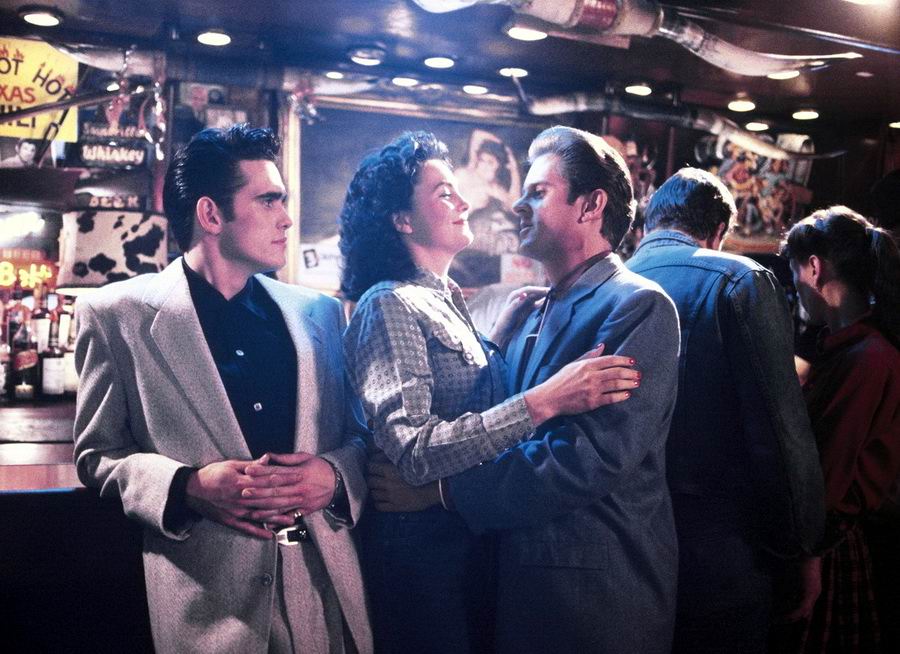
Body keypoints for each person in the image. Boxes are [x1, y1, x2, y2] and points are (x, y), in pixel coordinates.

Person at [368, 126, 682, 653]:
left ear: (591, 205)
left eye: (538, 192)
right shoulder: (534, 311)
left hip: (591, 599)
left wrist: (442, 493)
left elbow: (582, 460)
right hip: (517, 589)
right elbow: (499, 420)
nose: (517, 204)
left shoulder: (638, 306)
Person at [73, 124, 372, 653]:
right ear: (211, 215)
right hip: (209, 604)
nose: (287, 218)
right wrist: (186, 486)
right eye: (268, 200)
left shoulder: (321, 314)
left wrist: (332, 475)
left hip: (324, 589)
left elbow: (360, 438)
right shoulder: (114, 315)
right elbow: (97, 456)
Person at [625, 167, 825, 653]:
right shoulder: (738, 280)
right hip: (717, 549)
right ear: (718, 231)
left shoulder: (604, 281)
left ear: (650, 222)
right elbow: (779, 432)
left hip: (623, 542)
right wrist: (803, 546)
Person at [778, 206, 900, 653]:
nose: (794, 288)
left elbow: (826, 472)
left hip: (830, 548)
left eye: (794, 273)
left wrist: (808, 557)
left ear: (813, 268)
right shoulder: (854, 350)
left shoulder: (866, 359)